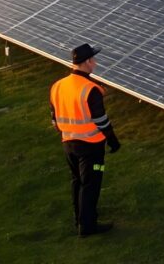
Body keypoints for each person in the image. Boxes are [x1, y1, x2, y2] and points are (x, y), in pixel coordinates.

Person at [50, 43, 121, 237]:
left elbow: (54, 118)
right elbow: (101, 120)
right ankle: (87, 226)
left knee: (77, 181)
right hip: (91, 147)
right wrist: (113, 140)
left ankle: (79, 218)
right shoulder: (90, 90)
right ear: (87, 62)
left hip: (68, 144)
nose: (95, 63)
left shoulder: (57, 86)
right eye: (93, 60)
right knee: (90, 184)